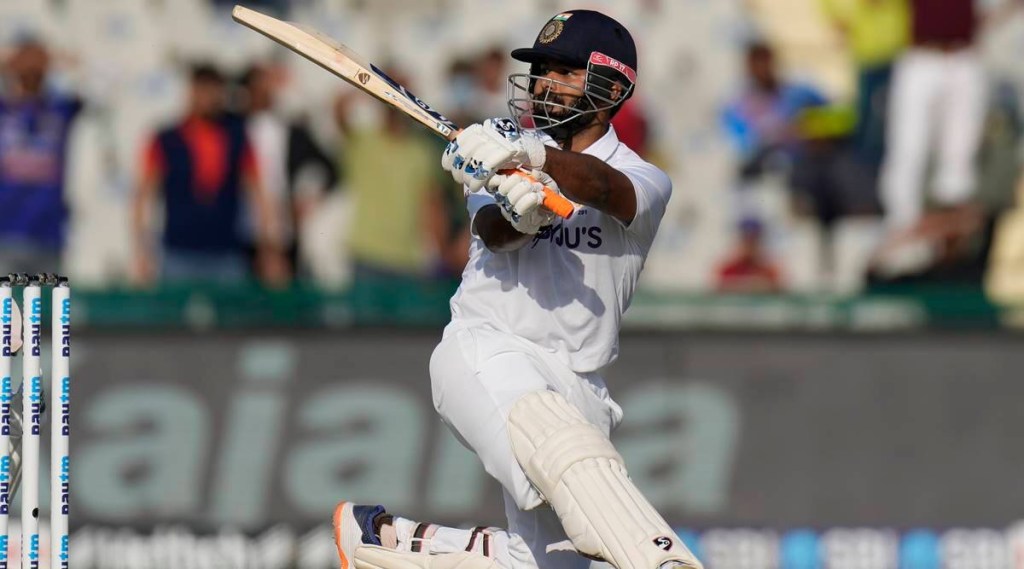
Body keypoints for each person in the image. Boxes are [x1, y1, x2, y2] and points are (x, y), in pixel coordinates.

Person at [331, 10, 703, 569]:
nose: (546, 83)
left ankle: (381, 542)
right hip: (488, 351)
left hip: (579, 383)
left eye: (565, 71)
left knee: (544, 564)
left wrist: (534, 159)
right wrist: (522, 213)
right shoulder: (494, 153)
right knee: (562, 444)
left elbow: (605, 188)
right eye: (541, 70)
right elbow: (493, 235)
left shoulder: (645, 179)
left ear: (613, 87)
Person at [131, 63, 287, 287]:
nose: (207, 98)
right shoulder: (166, 139)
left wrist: (269, 251)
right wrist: (142, 252)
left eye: (213, 91)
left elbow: (258, 195)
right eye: (202, 90)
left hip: (226, 252)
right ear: (191, 92)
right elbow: (143, 195)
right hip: (179, 252)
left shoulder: (237, 137)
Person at [0, 37, 83, 275]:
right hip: (6, 234)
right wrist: (11, 60)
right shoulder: (4, 109)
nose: (31, 71)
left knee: (47, 300)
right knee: (8, 301)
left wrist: (57, 60)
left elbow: (100, 88)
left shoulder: (60, 109)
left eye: (37, 67)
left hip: (48, 236)